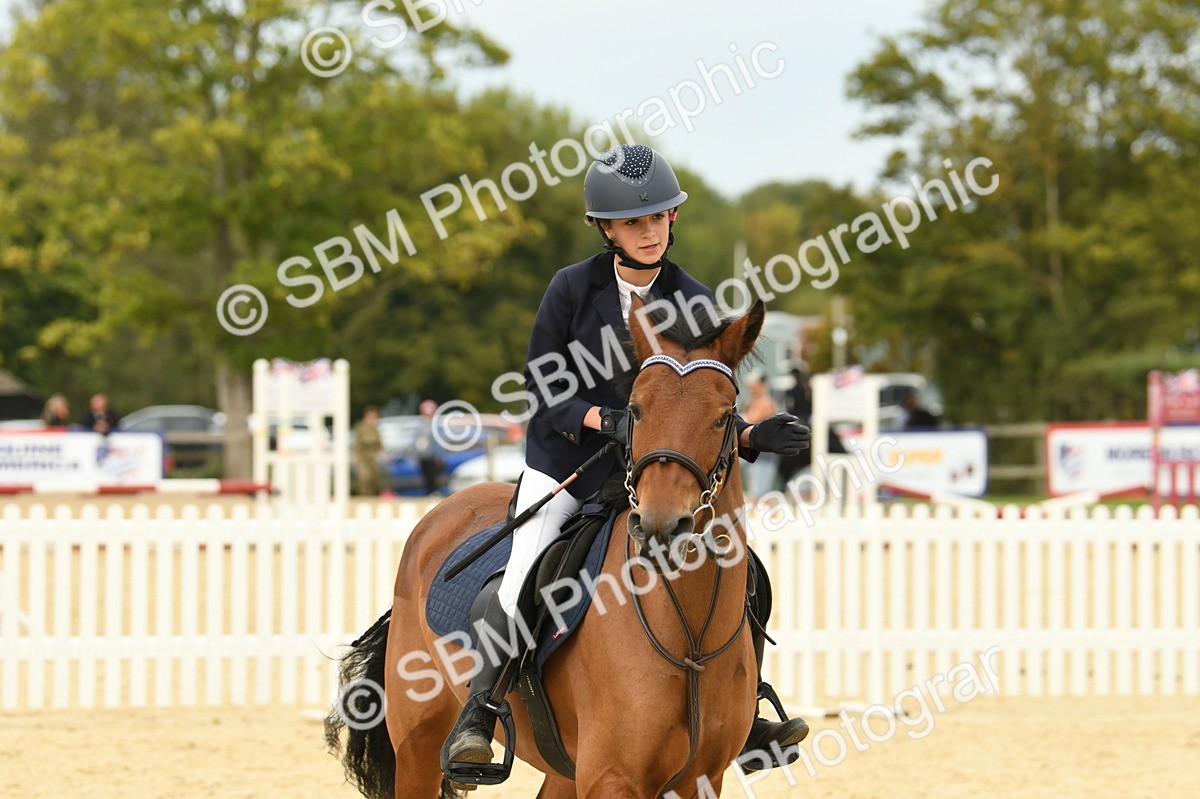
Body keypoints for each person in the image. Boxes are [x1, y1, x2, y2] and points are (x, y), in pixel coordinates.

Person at [444, 143, 811, 775]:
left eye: (658, 218)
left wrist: (751, 437)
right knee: (524, 568)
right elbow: (543, 383)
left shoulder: (693, 301)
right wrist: (602, 419)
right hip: (567, 463)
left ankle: (744, 714)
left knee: (744, 572)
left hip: (653, 473)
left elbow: (699, 402)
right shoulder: (570, 288)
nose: (647, 232)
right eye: (632, 222)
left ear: (673, 220)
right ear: (607, 229)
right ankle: (480, 713)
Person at [741, 376, 779, 500]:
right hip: (755, 454)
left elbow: (751, 421)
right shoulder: (752, 402)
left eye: (753, 387)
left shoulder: (766, 402)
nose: (751, 390)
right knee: (756, 491)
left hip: (764, 455)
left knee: (760, 493)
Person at [414, 399, 445, 496]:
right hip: (423, 456)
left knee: (434, 476)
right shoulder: (420, 426)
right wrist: (416, 455)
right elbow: (416, 442)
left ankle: (434, 492)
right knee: (426, 477)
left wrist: (440, 456)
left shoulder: (436, 426)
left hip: (433, 456)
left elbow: (439, 442)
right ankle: (429, 492)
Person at [351, 406, 384, 496]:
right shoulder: (361, 427)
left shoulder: (375, 428)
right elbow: (357, 442)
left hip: (372, 456)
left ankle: (372, 495)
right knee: (364, 477)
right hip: (363, 455)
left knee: (373, 477)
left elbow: (379, 442)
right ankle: (362, 494)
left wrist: (383, 452)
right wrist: (355, 454)